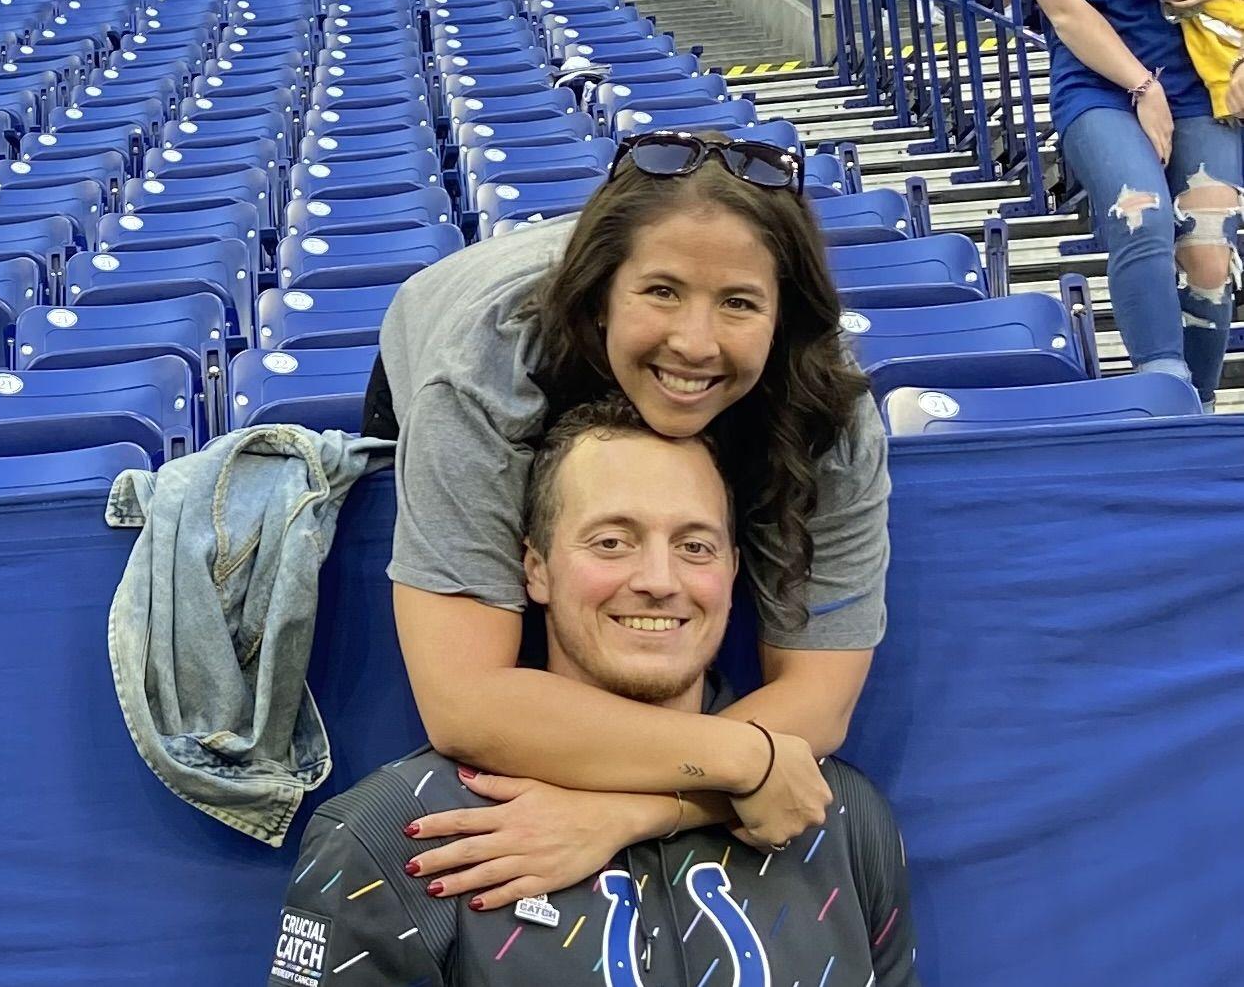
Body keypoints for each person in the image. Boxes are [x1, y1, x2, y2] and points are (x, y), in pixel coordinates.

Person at [363, 131, 890, 909]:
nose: (695, 342)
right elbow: (466, 704)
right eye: (661, 292)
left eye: (739, 302)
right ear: (603, 291)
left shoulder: (832, 417)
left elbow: (820, 700)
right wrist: (747, 763)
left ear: (784, 317)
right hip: (454, 338)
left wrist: (629, 814)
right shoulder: (483, 371)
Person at [269, 397, 918, 987]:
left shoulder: (836, 812)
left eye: (695, 546)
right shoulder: (397, 834)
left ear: (732, 573)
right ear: (536, 568)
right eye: (612, 542)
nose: (660, 580)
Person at [1012, 0, 1244, 410]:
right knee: (1140, 217)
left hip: (1203, 84)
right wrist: (1143, 87)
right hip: (1101, 89)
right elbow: (1065, 11)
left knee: (1208, 245)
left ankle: (1193, 409)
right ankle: (1161, 392)